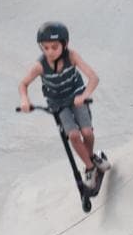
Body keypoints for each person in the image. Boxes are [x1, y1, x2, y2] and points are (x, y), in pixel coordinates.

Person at [19, 22, 111, 189]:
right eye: (45, 48)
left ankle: (90, 156)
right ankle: (90, 167)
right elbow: (23, 84)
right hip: (58, 103)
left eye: (54, 47)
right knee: (74, 136)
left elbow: (93, 78)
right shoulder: (40, 65)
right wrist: (25, 100)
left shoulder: (72, 56)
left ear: (65, 44)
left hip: (76, 96)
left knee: (87, 132)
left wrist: (84, 95)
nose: (50, 52)